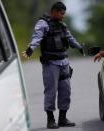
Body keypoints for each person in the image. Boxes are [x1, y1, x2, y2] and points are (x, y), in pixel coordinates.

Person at [22, 1, 84, 129]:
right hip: (51, 64)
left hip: (64, 62)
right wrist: (31, 49)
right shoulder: (43, 24)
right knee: (51, 91)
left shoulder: (62, 25)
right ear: (54, 11)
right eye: (61, 13)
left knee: (66, 91)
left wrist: (79, 47)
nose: (63, 16)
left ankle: (63, 118)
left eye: (64, 13)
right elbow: (37, 37)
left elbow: (70, 38)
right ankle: (50, 119)